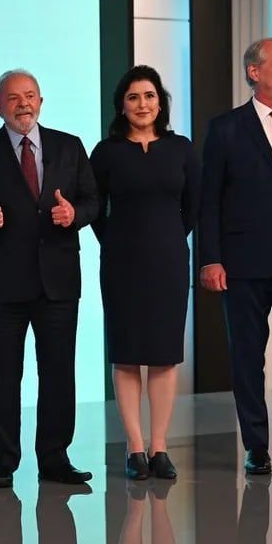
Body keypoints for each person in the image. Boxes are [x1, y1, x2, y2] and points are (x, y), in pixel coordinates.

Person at [0, 69, 99, 487]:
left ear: (41, 101)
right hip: (3, 283)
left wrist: (75, 215)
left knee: (58, 373)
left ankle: (55, 458)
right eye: (13, 98)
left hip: (58, 281)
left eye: (30, 96)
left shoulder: (68, 146)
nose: (23, 104)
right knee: (1, 375)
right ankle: (2, 462)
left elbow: (92, 201)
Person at [199, 37, 272, 475]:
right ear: (253, 72)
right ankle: (257, 447)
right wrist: (210, 259)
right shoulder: (225, 129)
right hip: (242, 263)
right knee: (247, 358)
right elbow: (210, 202)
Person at [90, 65, 200, 480]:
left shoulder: (181, 148)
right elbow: (94, 208)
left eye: (149, 96)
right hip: (121, 264)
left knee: (163, 357)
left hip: (169, 262)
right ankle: (134, 448)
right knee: (126, 355)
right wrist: (117, 240)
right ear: (122, 104)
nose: (142, 104)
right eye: (133, 97)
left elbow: (193, 206)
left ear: (161, 102)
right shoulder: (106, 152)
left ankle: (159, 447)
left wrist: (169, 238)